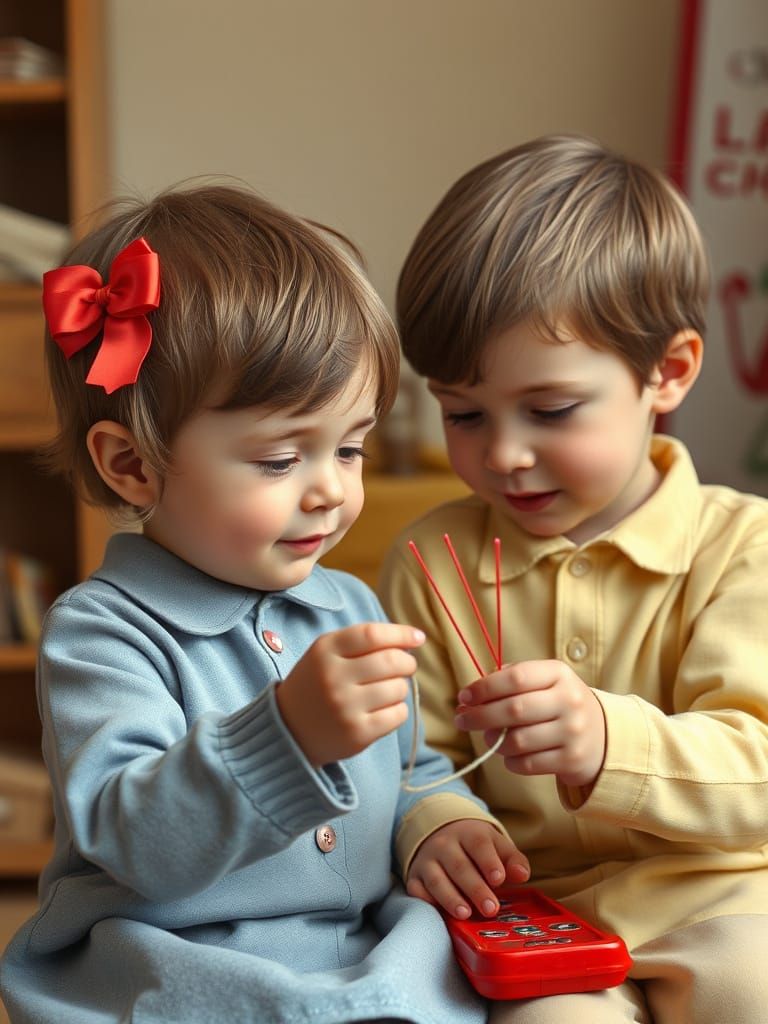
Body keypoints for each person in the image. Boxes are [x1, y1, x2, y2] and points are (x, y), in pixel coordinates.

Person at [0, 183, 531, 1024]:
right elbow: (137, 842)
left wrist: (437, 821)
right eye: (282, 459)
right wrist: (287, 737)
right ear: (133, 466)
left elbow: (410, 766)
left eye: (350, 447)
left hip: (356, 947)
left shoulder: (348, 602)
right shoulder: (101, 636)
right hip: (175, 962)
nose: (329, 491)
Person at [378, 135, 768, 1023]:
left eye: (550, 410)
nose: (504, 454)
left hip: (726, 901)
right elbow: (402, 763)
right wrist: (434, 824)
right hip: (536, 925)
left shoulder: (744, 549)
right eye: (463, 414)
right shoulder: (431, 563)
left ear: (665, 374)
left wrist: (608, 742)